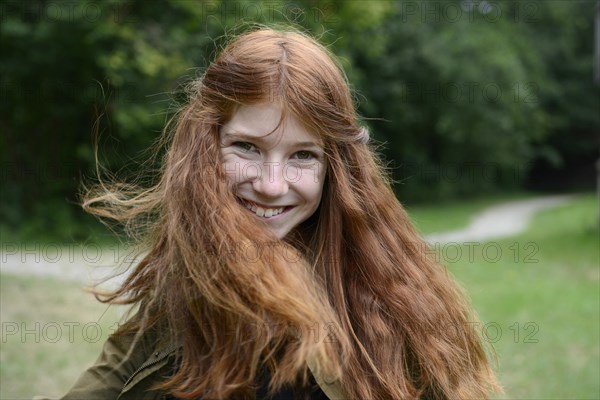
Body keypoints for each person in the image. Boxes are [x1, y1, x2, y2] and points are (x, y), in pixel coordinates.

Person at [45, 27, 501, 399]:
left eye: (303, 155)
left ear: (335, 168)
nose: (270, 184)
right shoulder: (189, 273)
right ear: (206, 146)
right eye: (247, 147)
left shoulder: (386, 292)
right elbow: (112, 375)